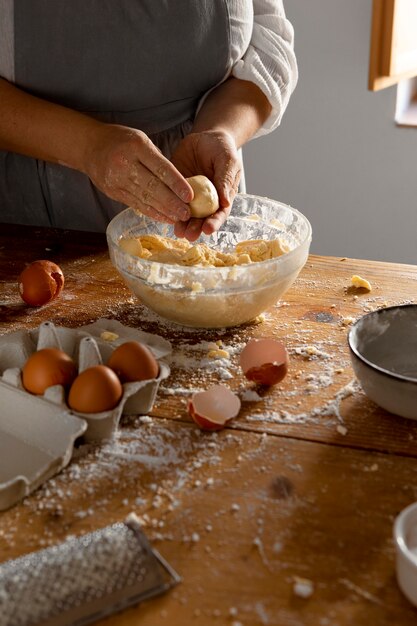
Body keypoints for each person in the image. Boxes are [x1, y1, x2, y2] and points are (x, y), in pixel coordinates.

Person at [0, 1, 298, 242]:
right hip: (32, 209)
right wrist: (87, 146)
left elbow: (269, 40)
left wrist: (219, 130)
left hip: (197, 200)